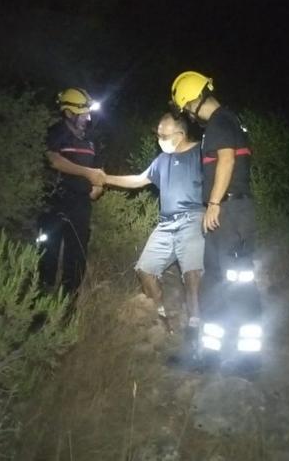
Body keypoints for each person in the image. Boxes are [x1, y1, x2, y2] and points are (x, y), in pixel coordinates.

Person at [103, 113, 205, 344]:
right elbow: (139, 180)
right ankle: (161, 320)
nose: (159, 139)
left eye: (164, 135)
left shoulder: (200, 153)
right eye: (157, 135)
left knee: (191, 274)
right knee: (144, 270)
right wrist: (105, 178)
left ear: (180, 134)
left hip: (192, 217)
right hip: (166, 223)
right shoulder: (162, 160)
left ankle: (195, 327)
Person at [170, 71, 256, 310]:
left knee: (233, 279)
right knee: (222, 277)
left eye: (186, 108)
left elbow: (226, 160)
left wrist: (215, 203)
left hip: (229, 211)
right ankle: (219, 340)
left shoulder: (220, 121)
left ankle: (238, 339)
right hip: (234, 211)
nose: (188, 114)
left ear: (193, 101)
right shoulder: (228, 120)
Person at [38, 87, 106, 295]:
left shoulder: (90, 138)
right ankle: (42, 295)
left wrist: (97, 185)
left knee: (77, 254)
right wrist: (87, 173)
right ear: (68, 113)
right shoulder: (56, 132)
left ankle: (69, 301)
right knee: (47, 251)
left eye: (89, 112)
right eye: (84, 113)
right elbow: (53, 159)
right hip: (54, 202)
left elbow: (99, 168)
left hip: (80, 205)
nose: (88, 117)